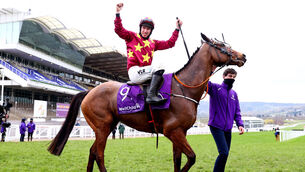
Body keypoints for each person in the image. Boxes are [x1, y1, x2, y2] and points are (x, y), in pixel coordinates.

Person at [115, 3, 183, 104]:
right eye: (143, 28)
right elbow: (119, 30)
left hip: (145, 72)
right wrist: (117, 13)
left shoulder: (153, 43)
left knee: (162, 74)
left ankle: (154, 96)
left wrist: (177, 29)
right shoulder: (131, 36)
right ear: (140, 28)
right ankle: (151, 96)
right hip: (134, 72)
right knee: (159, 67)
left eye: (148, 29)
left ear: (151, 31)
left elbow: (170, 43)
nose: (145, 31)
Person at [208, 68, 245, 172]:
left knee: (225, 154)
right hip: (216, 126)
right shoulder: (215, 88)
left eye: (233, 77)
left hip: (228, 128)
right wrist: (211, 71)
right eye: (229, 76)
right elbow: (204, 81)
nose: (231, 78)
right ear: (224, 76)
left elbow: (237, 112)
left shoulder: (234, 94)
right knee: (223, 152)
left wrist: (240, 125)